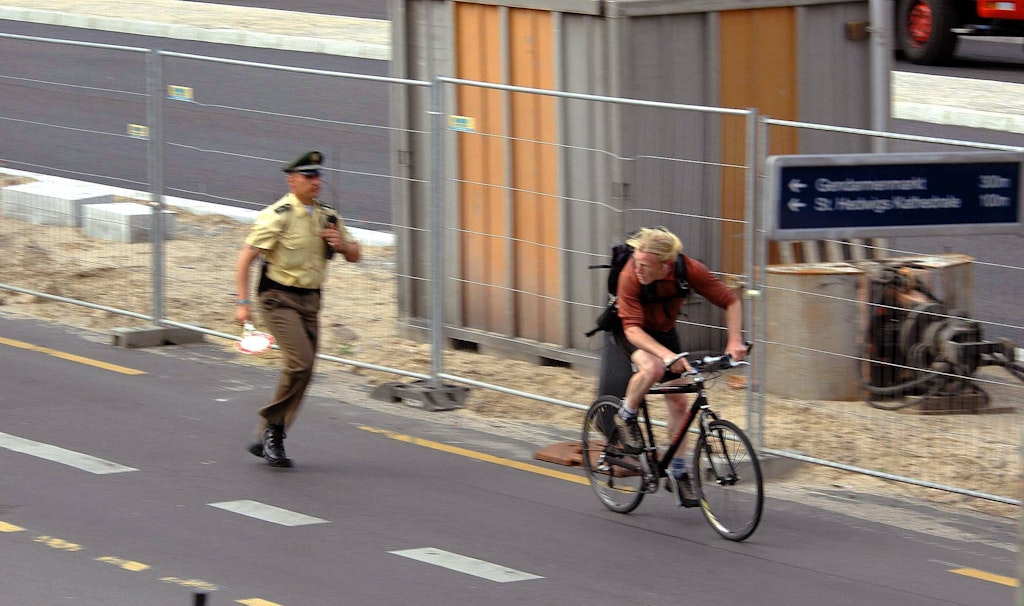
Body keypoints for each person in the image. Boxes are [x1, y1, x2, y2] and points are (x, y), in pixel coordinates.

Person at [234, 151, 361, 467]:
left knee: (304, 370)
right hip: (278, 298)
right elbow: (245, 259)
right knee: (300, 362)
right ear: (292, 181)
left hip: (310, 300)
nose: (316, 182)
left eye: (318, 176)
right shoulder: (278, 216)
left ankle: (269, 434)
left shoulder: (328, 216)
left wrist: (342, 244)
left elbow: (356, 254)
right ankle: (273, 429)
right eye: (308, 176)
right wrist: (243, 304)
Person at [612, 227, 746, 505]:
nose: (638, 269)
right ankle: (625, 415)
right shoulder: (629, 276)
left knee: (679, 401)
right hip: (632, 330)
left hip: (664, 332)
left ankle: (678, 470)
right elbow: (632, 329)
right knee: (652, 368)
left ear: (666, 266)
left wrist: (734, 340)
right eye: (636, 262)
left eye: (645, 265)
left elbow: (730, 300)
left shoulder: (689, 270)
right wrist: (666, 356)